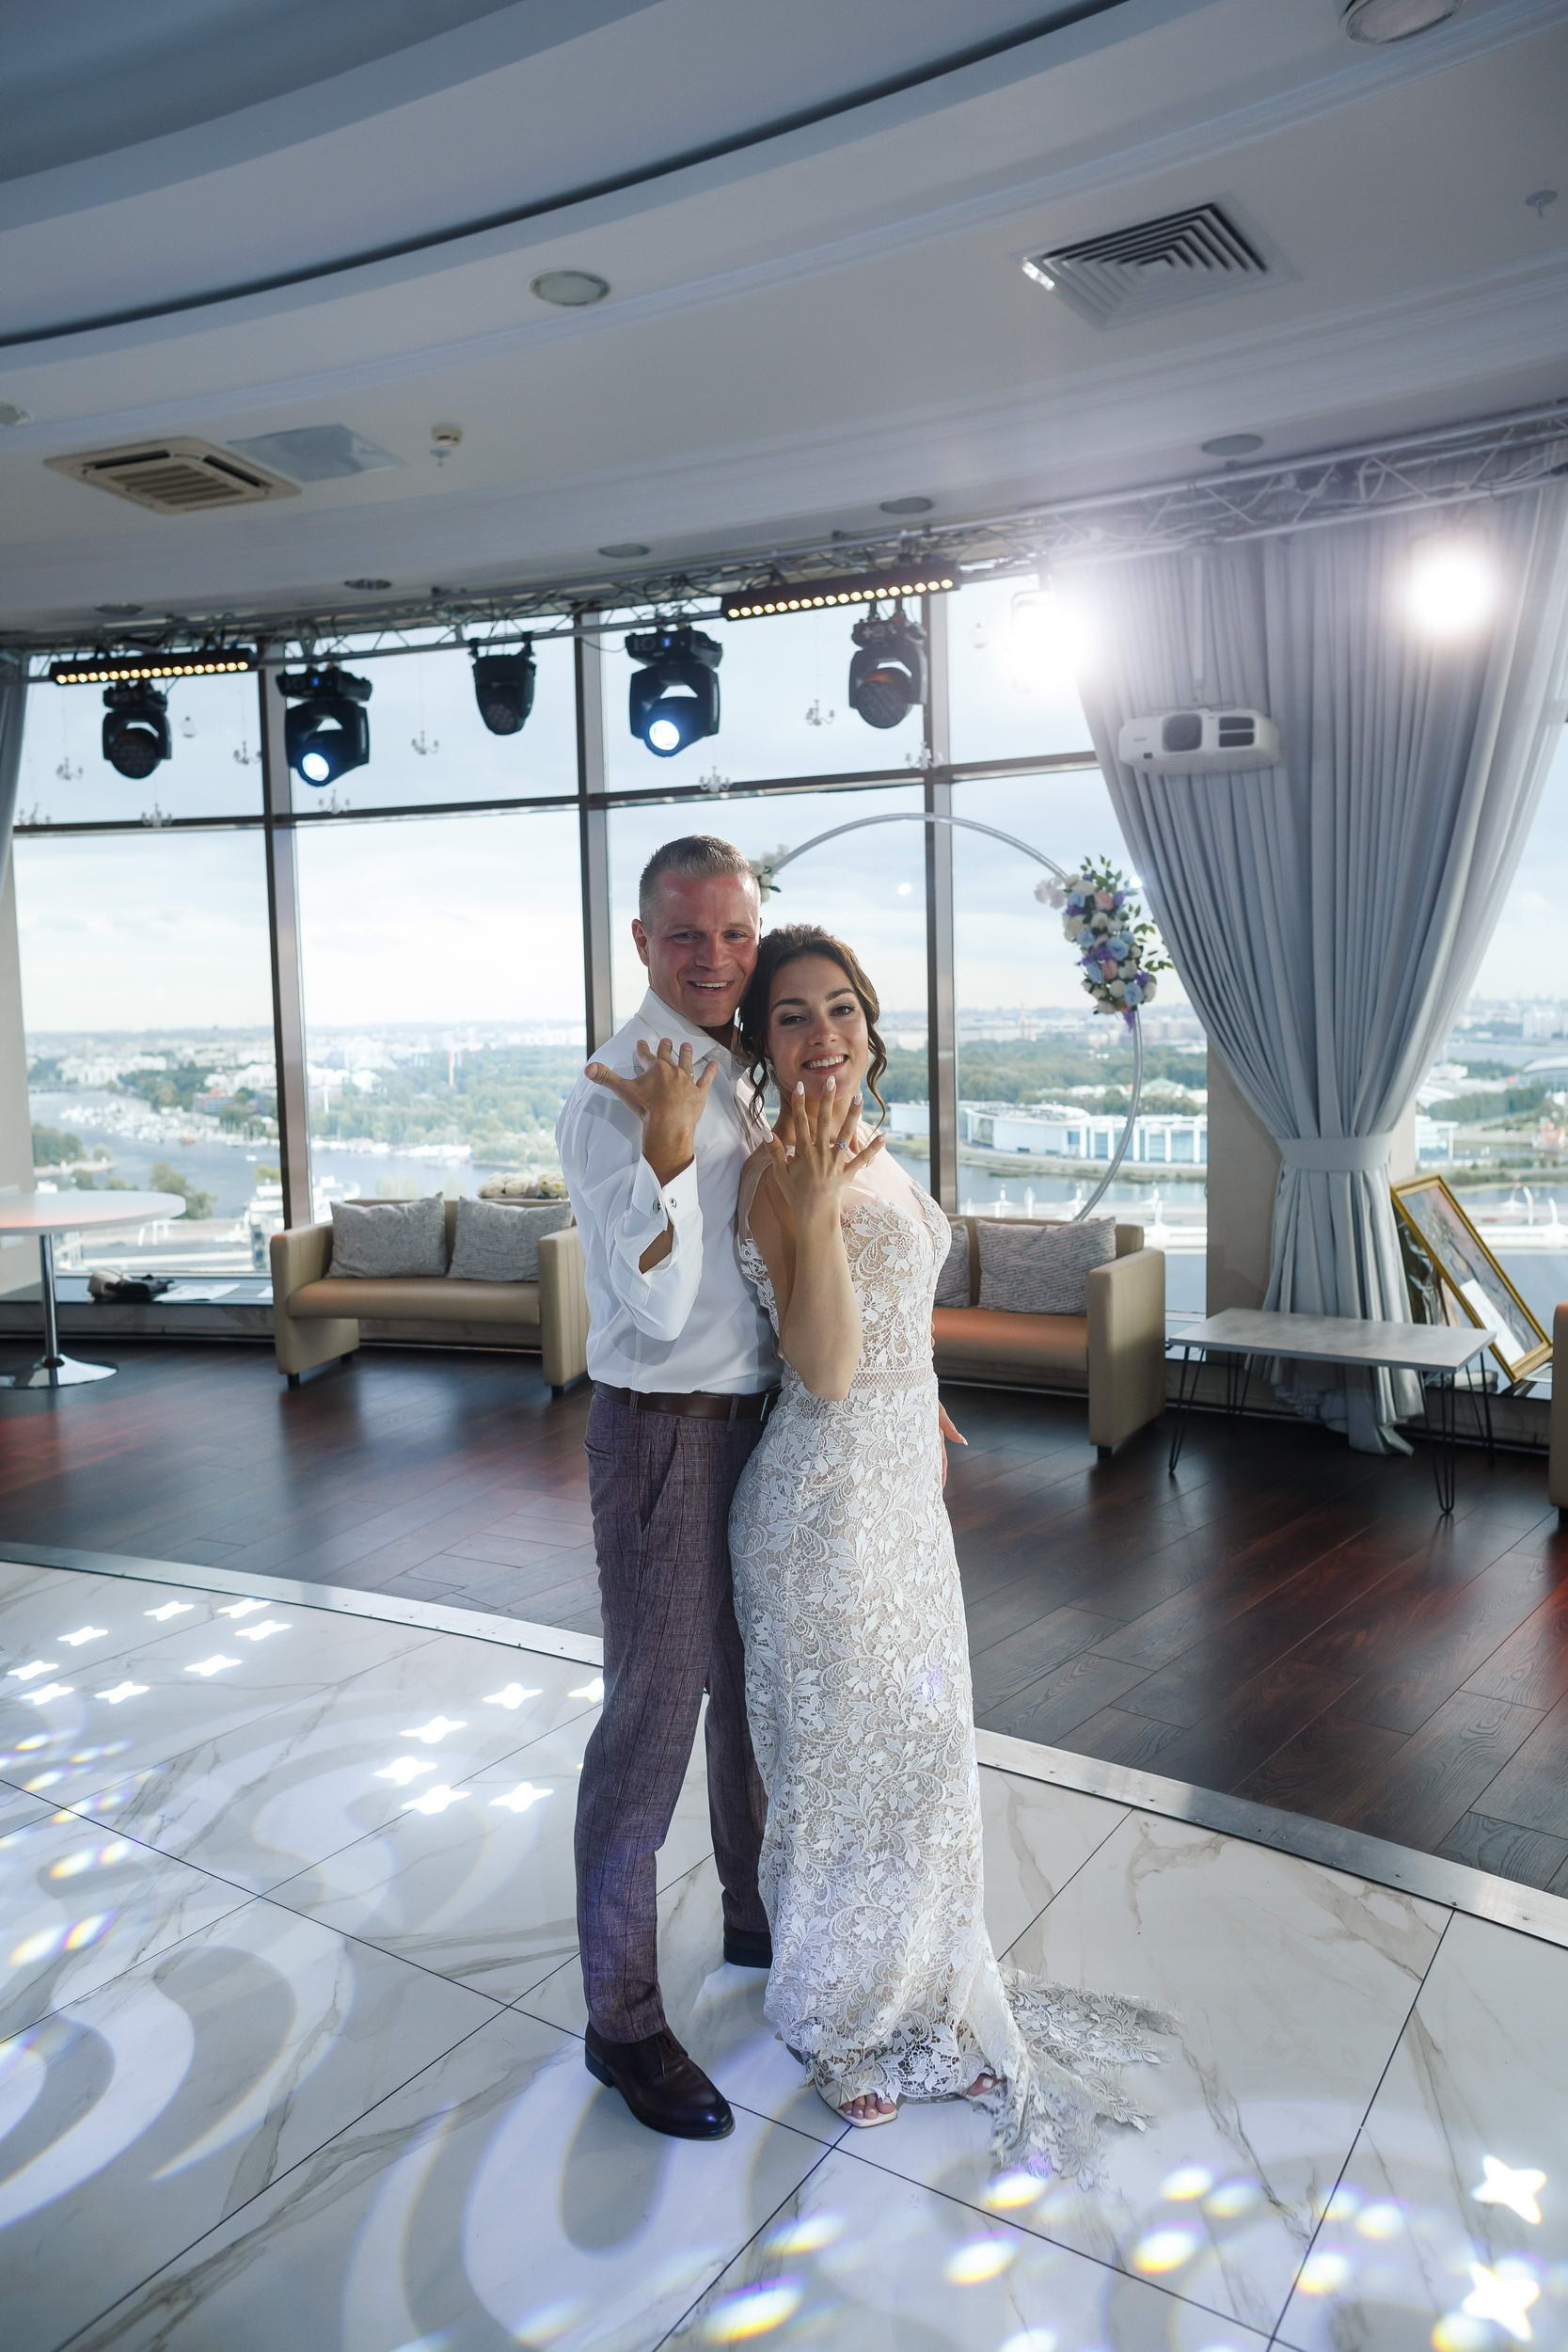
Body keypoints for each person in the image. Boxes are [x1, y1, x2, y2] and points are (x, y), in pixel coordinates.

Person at [727, 922, 1174, 2174]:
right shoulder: (779, 1173)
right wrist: (816, 1206)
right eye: (791, 1017)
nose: (823, 1035)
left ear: (870, 1025)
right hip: (820, 1518)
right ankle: (842, 2027)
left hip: (900, 1505)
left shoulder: (870, 1147)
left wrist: (918, 1398)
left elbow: (893, 1324)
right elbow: (823, 1366)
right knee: (838, 1780)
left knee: (921, 1766)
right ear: (763, 1046)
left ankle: (926, 1993)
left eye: (840, 1009)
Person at [555, 834, 779, 2143]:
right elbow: (652, 1303)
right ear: (641, 940)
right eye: (686, 934)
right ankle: (622, 2021)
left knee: (754, 1699)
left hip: (769, 1429)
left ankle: (756, 1917)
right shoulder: (615, 1090)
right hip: (665, 1436)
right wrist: (672, 1151)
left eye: (734, 932)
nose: (714, 958)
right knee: (650, 1724)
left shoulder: (751, 1062)